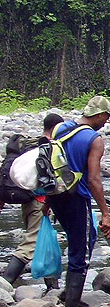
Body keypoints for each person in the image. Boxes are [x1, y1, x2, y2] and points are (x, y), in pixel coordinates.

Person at [46, 96, 110, 307]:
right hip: (77, 198)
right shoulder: (94, 139)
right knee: (80, 251)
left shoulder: (61, 129)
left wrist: (45, 201)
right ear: (100, 115)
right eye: (107, 117)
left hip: (55, 196)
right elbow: (94, 179)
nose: (106, 122)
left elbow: (50, 164)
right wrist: (105, 213)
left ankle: (66, 294)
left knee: (81, 241)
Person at [2, 113, 64, 291]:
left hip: (27, 200)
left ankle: (53, 289)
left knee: (44, 240)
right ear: (54, 128)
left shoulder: (30, 146)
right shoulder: (48, 147)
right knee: (32, 241)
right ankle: (5, 284)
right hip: (40, 202)